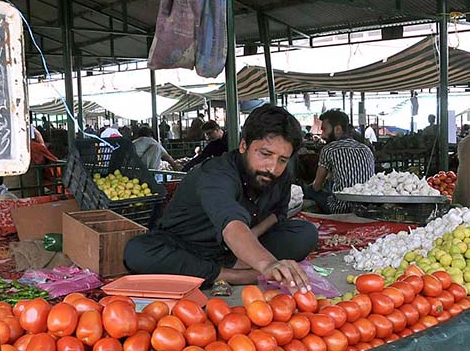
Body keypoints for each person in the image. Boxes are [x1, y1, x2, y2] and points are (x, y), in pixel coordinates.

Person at [124, 104, 318, 291]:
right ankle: (236, 275)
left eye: (282, 160)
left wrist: (251, 239)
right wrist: (267, 264)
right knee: (138, 252)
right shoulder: (216, 173)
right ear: (244, 145)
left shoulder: (280, 174)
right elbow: (231, 225)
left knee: (305, 233)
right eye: (265, 154)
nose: (273, 167)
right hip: (190, 248)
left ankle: (236, 264)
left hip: (240, 246)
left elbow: (278, 213)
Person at [304, 109, 375, 214]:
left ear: (337, 129)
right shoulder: (366, 149)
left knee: (310, 190)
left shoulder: (329, 149)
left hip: (340, 208)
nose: (322, 135)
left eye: (324, 130)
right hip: (368, 206)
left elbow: (317, 186)